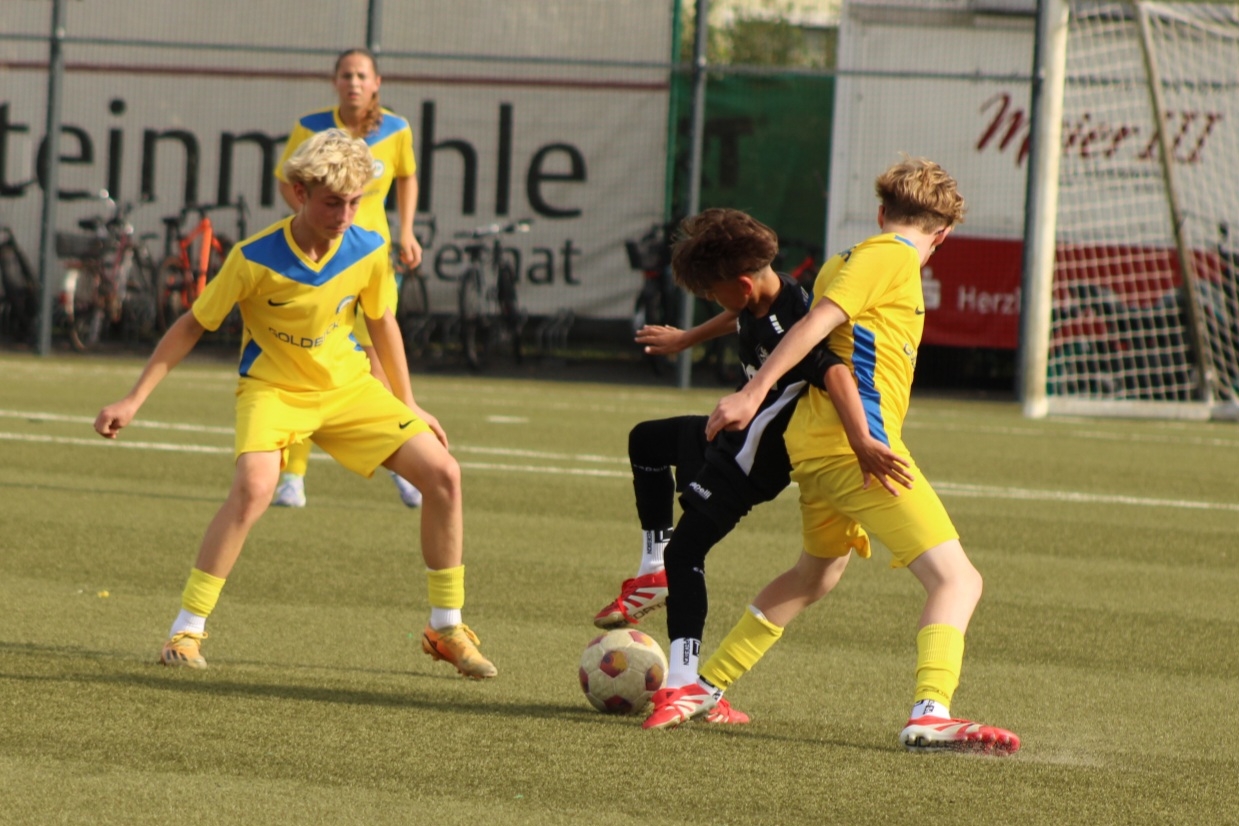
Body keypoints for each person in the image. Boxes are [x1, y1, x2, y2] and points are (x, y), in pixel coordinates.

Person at [644, 158, 1019, 755]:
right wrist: (753, 392)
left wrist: (697, 344)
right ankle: (931, 711)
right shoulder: (893, 257)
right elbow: (815, 326)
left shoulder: (846, 259)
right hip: (855, 449)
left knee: (814, 575)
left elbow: (804, 329)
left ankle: (703, 686)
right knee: (957, 579)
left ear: (881, 211)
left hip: (819, 449)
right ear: (943, 235)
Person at [93, 129, 496, 680]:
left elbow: (382, 322)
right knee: (254, 488)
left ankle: (446, 628)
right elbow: (192, 325)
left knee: (444, 474)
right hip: (274, 390)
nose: (345, 215)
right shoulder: (252, 257)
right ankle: (186, 631)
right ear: (299, 193)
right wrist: (133, 398)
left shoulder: (368, 248)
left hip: (348, 387)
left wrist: (409, 403)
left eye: (354, 202)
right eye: (333, 203)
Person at [591, 208, 912, 725]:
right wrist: (687, 338)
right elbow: (737, 316)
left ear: (741, 284)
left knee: (687, 551)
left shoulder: (793, 325)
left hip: (752, 460)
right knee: (646, 443)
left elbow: (835, 372)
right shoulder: (764, 290)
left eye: (712, 292)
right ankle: (653, 572)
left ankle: (683, 681)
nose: (712, 299)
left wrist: (862, 440)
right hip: (732, 432)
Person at [271, 47, 423, 509]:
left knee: (379, 366)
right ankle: (292, 477)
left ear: (377, 83)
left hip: (372, 262)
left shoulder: (396, 129)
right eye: (346, 75)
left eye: (361, 75)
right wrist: (308, 218)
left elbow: (407, 177)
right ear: (334, 81)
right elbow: (286, 178)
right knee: (306, 359)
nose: (353, 82)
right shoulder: (312, 127)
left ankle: (403, 464)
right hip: (320, 261)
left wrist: (407, 230)